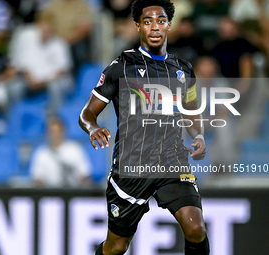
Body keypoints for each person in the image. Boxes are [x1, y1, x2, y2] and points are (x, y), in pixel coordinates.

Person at [79, 0, 210, 254]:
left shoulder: (183, 70)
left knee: (196, 228)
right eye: (147, 21)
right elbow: (87, 113)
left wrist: (200, 136)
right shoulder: (121, 67)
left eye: (160, 21)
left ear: (169, 25)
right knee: (116, 247)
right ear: (137, 26)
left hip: (171, 162)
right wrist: (93, 127)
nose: (155, 27)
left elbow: (192, 112)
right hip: (131, 168)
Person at [30, 117, 91, 188]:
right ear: (47, 133)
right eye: (52, 132)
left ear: (63, 131)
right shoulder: (41, 153)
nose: (55, 135)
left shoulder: (75, 149)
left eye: (57, 131)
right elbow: (37, 179)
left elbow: (85, 174)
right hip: (49, 194)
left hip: (73, 192)